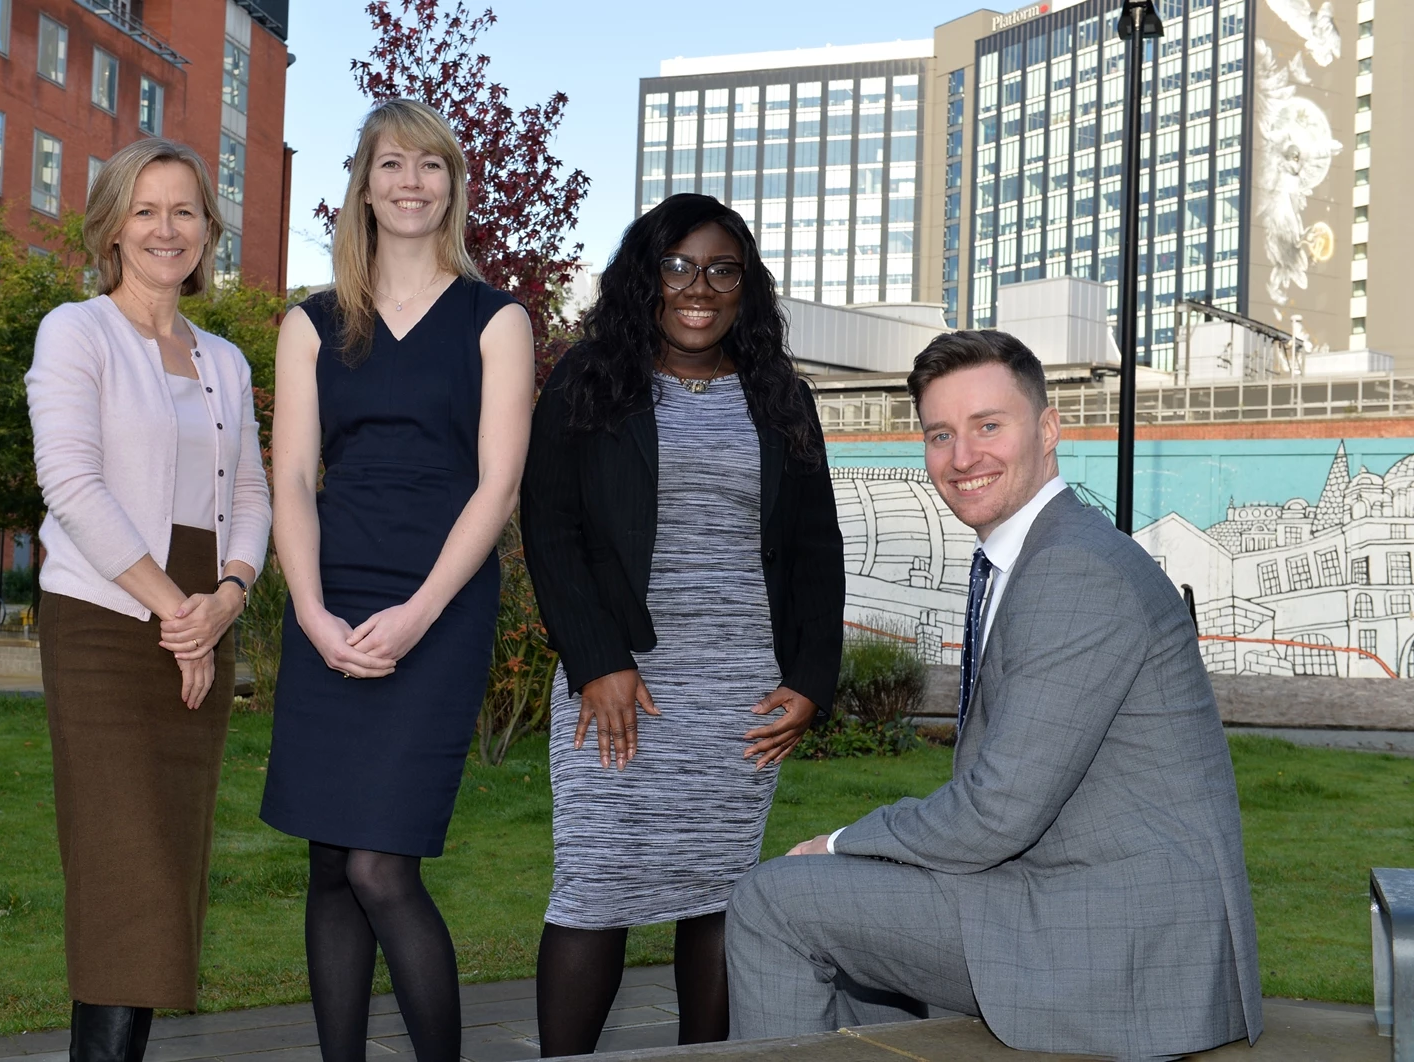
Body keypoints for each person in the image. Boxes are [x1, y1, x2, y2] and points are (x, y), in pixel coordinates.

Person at [724, 329, 1263, 1061]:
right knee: (836, 899)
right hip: (1085, 903)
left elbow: (994, 813)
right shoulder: (1037, 553)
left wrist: (842, 841)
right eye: (939, 434)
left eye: (987, 426)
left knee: (774, 901)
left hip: (1119, 946)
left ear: (1047, 430)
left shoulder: (1073, 572)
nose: (961, 456)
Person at [520, 193, 845, 1055]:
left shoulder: (781, 398)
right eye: (677, 265)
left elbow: (816, 547)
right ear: (646, 276)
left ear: (746, 286)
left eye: (721, 269)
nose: (698, 286)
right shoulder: (588, 383)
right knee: (595, 886)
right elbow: (550, 530)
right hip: (618, 687)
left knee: (717, 893)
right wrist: (597, 661)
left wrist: (812, 678)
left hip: (738, 693)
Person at [259, 99, 534, 1062]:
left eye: (431, 165)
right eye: (391, 165)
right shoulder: (313, 322)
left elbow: (498, 485)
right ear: (363, 186)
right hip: (329, 599)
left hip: (439, 606)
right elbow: (293, 477)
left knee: (381, 864)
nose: (411, 182)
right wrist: (311, 612)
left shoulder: (497, 320)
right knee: (329, 862)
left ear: (454, 186)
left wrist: (418, 614)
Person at [26, 138, 271, 1062]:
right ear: (111, 228)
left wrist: (228, 599)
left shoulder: (226, 359)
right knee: (123, 870)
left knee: (168, 869)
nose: (167, 230)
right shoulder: (76, 331)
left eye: (185, 212)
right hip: (106, 619)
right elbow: (72, 486)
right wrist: (179, 609)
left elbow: (252, 495)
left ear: (209, 231)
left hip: (202, 613)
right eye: (146, 211)